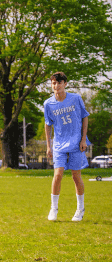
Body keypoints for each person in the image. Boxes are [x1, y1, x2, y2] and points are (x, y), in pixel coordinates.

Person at [44, 71, 90, 222]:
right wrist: (49, 146)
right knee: (57, 175)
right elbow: (48, 125)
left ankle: (80, 209)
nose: (55, 85)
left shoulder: (75, 98)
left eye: (58, 82)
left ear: (65, 84)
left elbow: (85, 117)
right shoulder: (48, 104)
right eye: (53, 83)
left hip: (76, 143)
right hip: (59, 144)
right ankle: (54, 209)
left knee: (76, 176)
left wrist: (83, 139)